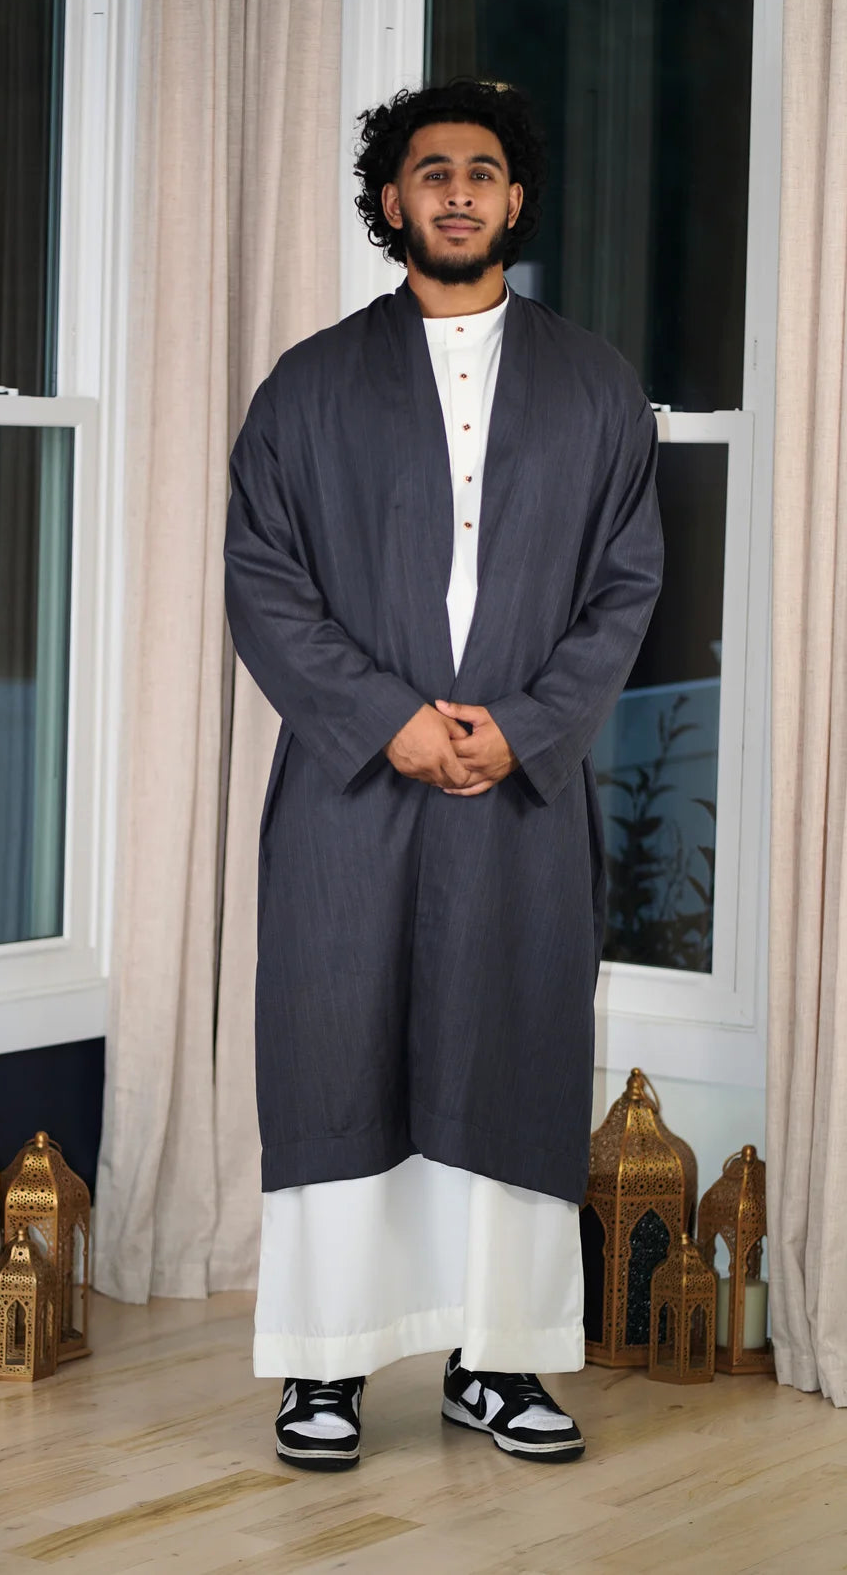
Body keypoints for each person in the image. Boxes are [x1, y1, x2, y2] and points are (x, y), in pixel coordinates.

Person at [223, 78, 663, 1471]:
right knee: (335, 1049)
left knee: (514, 1047)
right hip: (354, 789)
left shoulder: (596, 384)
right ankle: (323, 1374)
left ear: (515, 197)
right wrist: (392, 720)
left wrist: (525, 726)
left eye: (483, 169)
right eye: (431, 172)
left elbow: (626, 585)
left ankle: (500, 1361)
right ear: (391, 200)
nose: (459, 191)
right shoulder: (308, 383)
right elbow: (264, 580)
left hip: (522, 791)